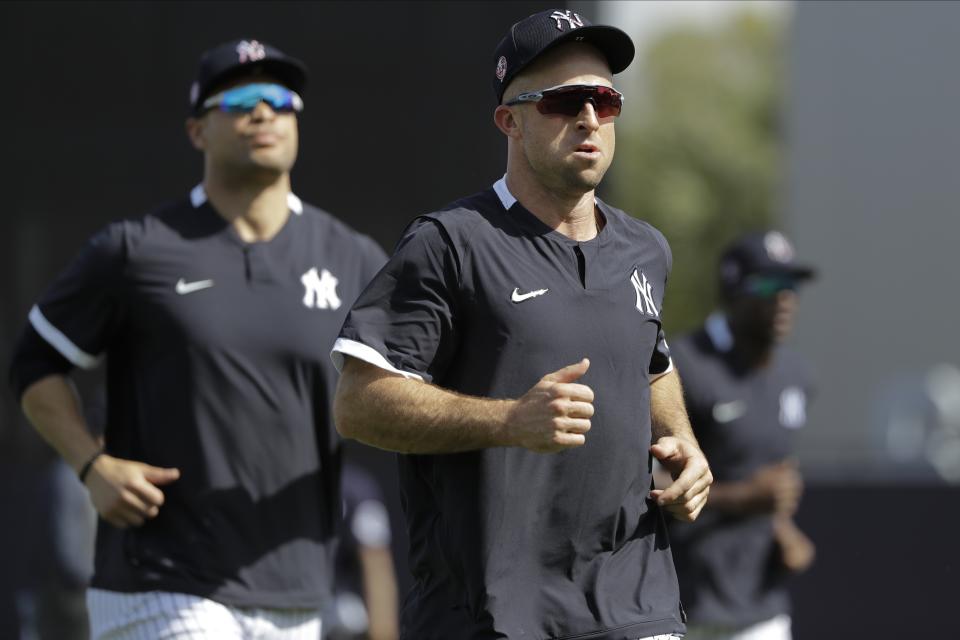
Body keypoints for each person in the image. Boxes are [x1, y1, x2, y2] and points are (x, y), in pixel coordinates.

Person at [330, 9, 712, 640]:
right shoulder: (449, 242)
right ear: (510, 120)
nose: (590, 117)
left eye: (605, 99)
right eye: (564, 101)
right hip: (495, 616)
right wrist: (508, 421)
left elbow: (653, 361)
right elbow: (358, 403)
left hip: (636, 608)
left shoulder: (647, 250)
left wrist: (685, 445)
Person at [8, 38, 387, 639]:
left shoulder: (355, 257)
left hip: (296, 590)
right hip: (162, 581)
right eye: (238, 99)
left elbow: (403, 387)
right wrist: (91, 465)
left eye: (279, 98)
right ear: (196, 132)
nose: (262, 113)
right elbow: (34, 365)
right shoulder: (135, 248)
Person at [667, 231, 817, 640]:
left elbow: (769, 475)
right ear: (733, 289)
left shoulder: (796, 377)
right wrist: (747, 498)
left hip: (761, 608)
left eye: (791, 286)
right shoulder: (680, 367)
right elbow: (649, 486)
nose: (784, 299)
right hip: (682, 606)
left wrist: (782, 528)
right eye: (768, 285)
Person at [326, 461, 400, 640]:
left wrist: (383, 631)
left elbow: (376, 564)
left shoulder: (353, 486)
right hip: (279, 604)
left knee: (347, 615)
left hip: (337, 610)